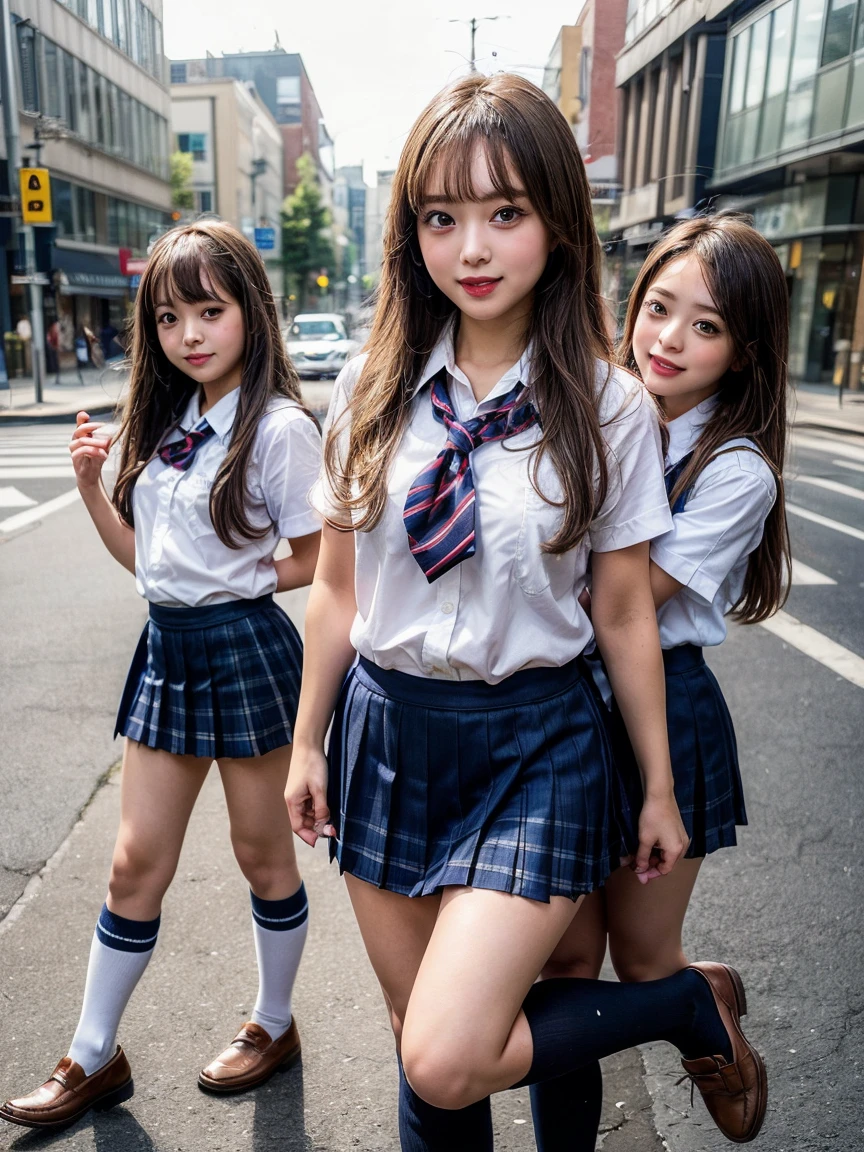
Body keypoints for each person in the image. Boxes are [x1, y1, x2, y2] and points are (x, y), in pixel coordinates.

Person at [285, 73, 768, 1151]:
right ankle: (676, 1005)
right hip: (388, 731)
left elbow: (625, 612)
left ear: (557, 220)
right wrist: (306, 742)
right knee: (423, 1045)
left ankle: (686, 1001)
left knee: (450, 1051)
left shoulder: (609, 405)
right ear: (411, 233)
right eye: (442, 216)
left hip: (537, 745)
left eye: (506, 212)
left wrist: (656, 785)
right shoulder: (367, 383)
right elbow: (335, 584)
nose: (473, 247)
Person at [0, 221, 322, 1134]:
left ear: (250, 313)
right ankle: (92, 1057)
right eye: (172, 316)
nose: (190, 334)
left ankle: (273, 1022)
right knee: (134, 861)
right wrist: (95, 490)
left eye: (210, 312)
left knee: (263, 857)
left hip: (245, 649)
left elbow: (321, 559)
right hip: (169, 648)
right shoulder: (170, 416)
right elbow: (148, 571)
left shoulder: (281, 427)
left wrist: (241, 578)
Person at [530, 212, 790, 1151]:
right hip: (562, 707)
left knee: (639, 962)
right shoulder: (599, 404)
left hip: (661, 709)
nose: (668, 338)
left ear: (745, 352)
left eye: (707, 325)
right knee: (561, 963)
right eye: (658, 308)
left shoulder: (737, 471)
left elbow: (628, 596)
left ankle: (692, 1003)